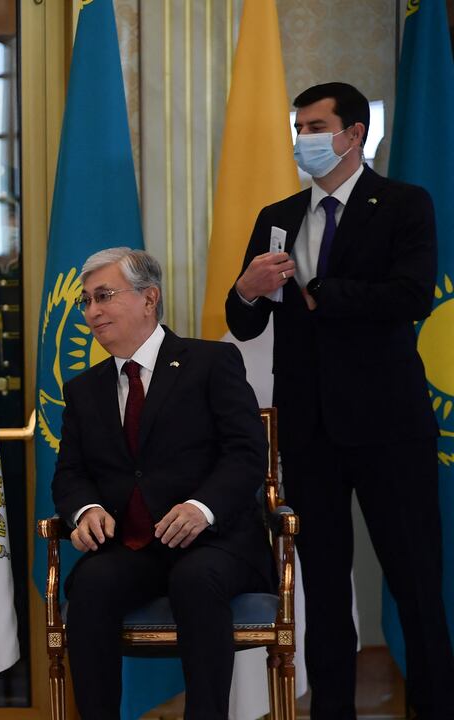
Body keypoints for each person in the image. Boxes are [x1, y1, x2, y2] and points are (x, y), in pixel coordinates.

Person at [226, 81, 454, 716]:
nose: (304, 139)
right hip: (310, 432)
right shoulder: (278, 216)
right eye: (298, 127)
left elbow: (411, 296)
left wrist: (323, 291)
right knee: (323, 595)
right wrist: (245, 289)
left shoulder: (405, 204)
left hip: (390, 429)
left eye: (316, 127)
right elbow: (245, 324)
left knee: (416, 588)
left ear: (355, 135)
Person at [54, 248, 272, 719]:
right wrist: (85, 510)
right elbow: (71, 473)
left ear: (149, 298)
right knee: (90, 582)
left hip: (214, 544)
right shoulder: (83, 390)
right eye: (86, 302)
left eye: (104, 296)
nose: (92, 312)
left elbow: (247, 453)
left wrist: (202, 507)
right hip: (133, 547)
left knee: (195, 579)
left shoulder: (211, 362)